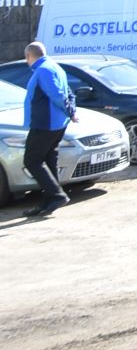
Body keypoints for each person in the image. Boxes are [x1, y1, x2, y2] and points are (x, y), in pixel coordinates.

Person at [22, 40, 77, 219]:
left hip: (45, 124)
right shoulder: (54, 67)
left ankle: (57, 195)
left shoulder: (44, 70)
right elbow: (69, 92)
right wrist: (71, 112)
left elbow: (58, 95)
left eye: (26, 58)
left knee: (31, 160)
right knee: (47, 159)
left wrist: (71, 111)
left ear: (29, 56)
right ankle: (48, 201)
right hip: (56, 124)